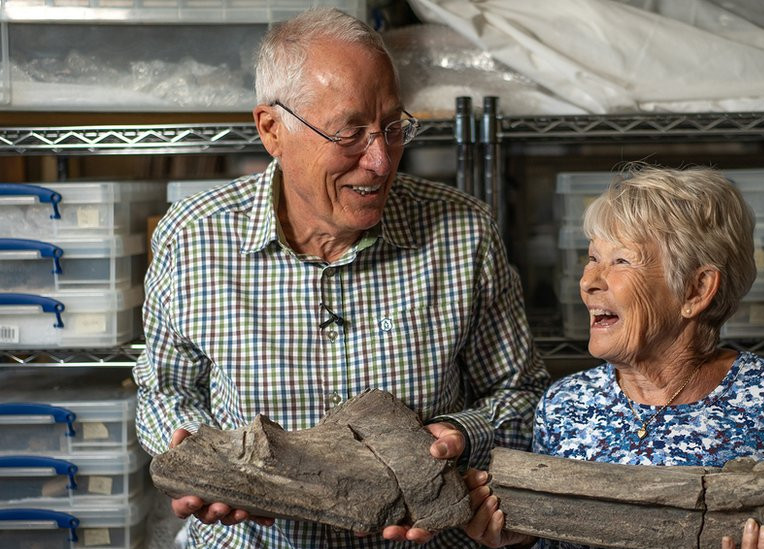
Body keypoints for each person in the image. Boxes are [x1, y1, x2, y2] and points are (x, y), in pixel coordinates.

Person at [132, 7, 550, 548]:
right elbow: (164, 387)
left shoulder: (462, 233)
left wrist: (460, 436)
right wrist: (200, 453)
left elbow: (521, 394)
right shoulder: (193, 238)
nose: (380, 160)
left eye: (394, 128)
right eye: (350, 132)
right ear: (271, 130)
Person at [464, 164, 764, 549]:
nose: (588, 281)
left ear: (697, 290)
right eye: (592, 258)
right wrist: (516, 539)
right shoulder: (565, 405)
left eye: (620, 261)